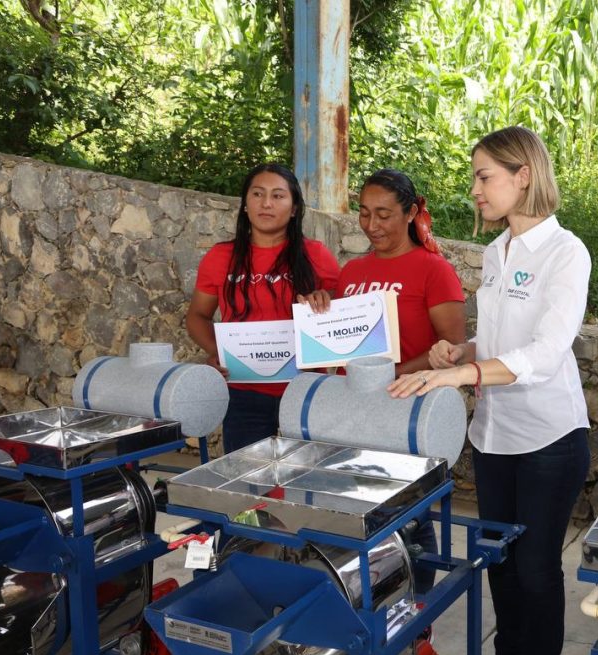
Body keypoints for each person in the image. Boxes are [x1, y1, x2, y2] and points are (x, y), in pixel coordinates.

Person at [388, 126, 590, 655]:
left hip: (550, 438)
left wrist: (465, 374)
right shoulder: (497, 251)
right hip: (494, 435)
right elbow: (505, 342)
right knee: (498, 558)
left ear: (523, 176)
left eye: (484, 177)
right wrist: (463, 351)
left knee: (536, 567)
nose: (475, 190)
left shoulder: (566, 253)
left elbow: (546, 352)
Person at [298, 168, 466, 596]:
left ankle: (415, 607)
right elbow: (342, 339)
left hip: (405, 415)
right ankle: (364, 593)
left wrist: (393, 375)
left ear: (411, 213)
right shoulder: (352, 270)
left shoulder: (434, 270)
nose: (372, 225)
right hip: (355, 413)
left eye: (384, 215)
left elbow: (454, 347)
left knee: (409, 520)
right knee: (355, 510)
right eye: (364, 213)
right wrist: (322, 305)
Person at [186, 163, 339, 452]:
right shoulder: (221, 257)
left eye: (278, 196)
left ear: (294, 208)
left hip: (305, 392)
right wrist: (216, 351)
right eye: (257, 194)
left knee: (305, 483)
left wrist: (325, 300)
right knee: (249, 484)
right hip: (243, 393)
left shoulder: (317, 255)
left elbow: (340, 320)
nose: (266, 203)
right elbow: (197, 316)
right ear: (245, 204)